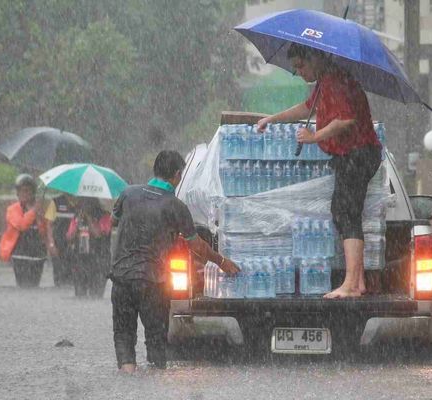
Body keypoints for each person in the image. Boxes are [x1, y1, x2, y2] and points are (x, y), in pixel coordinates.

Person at [256, 43, 381, 299]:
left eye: (301, 65)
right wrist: (272, 119)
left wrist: (315, 137)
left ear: (314, 58)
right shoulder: (325, 82)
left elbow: (346, 120)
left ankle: (351, 285)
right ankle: (358, 282)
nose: (299, 72)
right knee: (342, 211)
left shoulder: (336, 80)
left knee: (347, 213)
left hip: (358, 153)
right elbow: (305, 108)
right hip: (351, 155)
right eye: (295, 69)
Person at [110, 150, 240, 373]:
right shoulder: (175, 206)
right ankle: (156, 386)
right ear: (177, 175)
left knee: (123, 336)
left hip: (121, 279)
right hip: (153, 283)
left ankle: (128, 375)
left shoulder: (128, 194)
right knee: (156, 341)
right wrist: (221, 261)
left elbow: (113, 221)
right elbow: (196, 245)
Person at [0, 174, 47, 288]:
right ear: (17, 193)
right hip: (20, 254)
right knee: (23, 286)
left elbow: (43, 231)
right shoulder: (12, 210)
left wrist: (40, 217)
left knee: (34, 286)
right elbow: (21, 225)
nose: (25, 194)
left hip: (37, 255)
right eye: (22, 191)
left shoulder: (39, 209)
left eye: (28, 191)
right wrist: (33, 211)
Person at [66, 197, 111, 298]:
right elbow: (69, 237)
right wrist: (78, 224)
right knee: (80, 296)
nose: (85, 206)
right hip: (81, 261)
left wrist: (89, 218)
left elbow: (98, 234)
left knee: (96, 296)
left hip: (100, 262)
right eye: (83, 203)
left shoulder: (105, 216)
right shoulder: (77, 216)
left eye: (88, 203)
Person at [44, 194, 77, 286]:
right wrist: (51, 244)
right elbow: (49, 225)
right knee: (59, 278)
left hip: (76, 248)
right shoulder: (56, 202)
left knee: (74, 280)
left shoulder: (81, 202)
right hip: (58, 247)